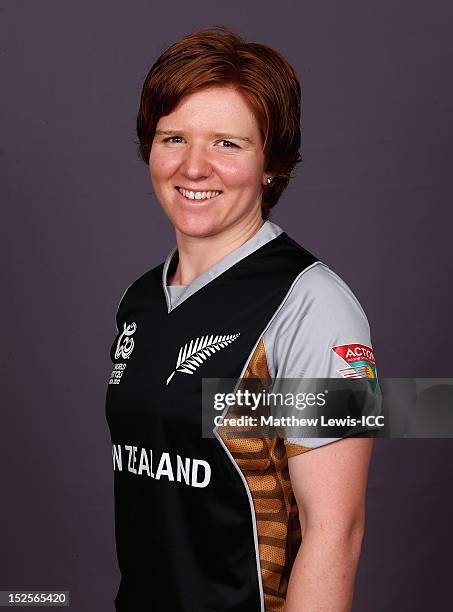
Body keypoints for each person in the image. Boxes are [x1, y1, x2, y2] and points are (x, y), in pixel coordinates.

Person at [105, 25, 376, 612]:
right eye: (173, 137)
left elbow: (337, 533)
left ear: (272, 164)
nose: (194, 166)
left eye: (228, 143)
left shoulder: (312, 305)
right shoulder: (140, 301)